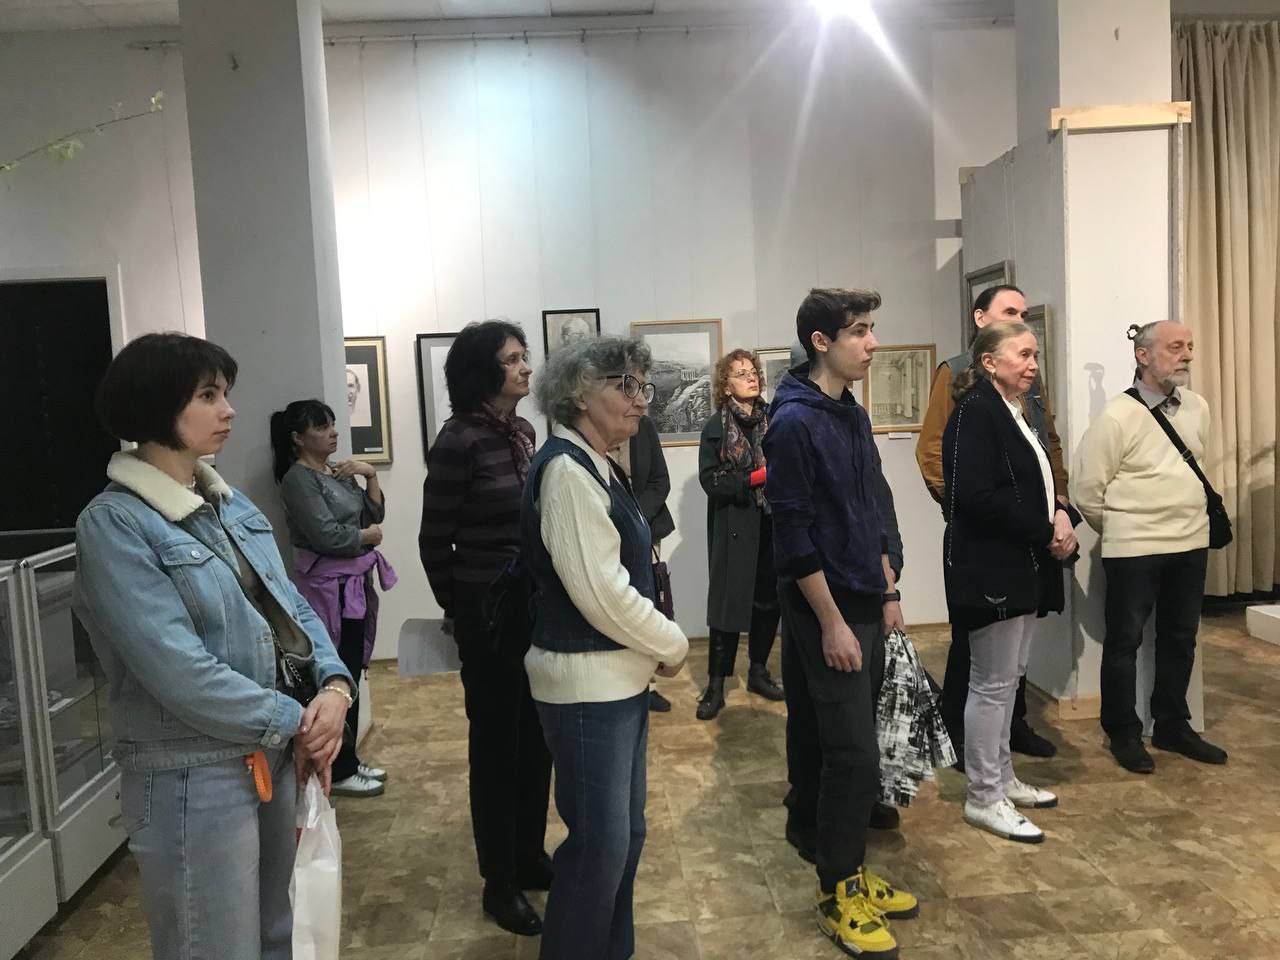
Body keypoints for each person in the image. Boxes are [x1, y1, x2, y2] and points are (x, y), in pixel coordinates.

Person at [72, 333, 354, 960]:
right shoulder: (115, 523)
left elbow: (290, 604)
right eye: (207, 396)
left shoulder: (226, 502)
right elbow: (177, 670)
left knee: (279, 935)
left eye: (224, 393)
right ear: (156, 406)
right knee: (213, 945)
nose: (228, 410)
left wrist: (335, 688)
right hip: (192, 772)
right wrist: (297, 720)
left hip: (267, 752)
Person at [521, 337, 689, 960]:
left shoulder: (597, 463)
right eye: (624, 385)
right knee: (598, 849)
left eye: (642, 385)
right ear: (577, 394)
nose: (640, 400)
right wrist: (670, 642)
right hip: (586, 687)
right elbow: (601, 593)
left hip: (614, 682)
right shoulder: (568, 472)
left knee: (622, 840)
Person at [767, 289, 917, 959]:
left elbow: (871, 503)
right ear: (821, 342)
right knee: (854, 753)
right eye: (858, 331)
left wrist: (889, 589)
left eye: (871, 329)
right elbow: (793, 535)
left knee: (847, 744)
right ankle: (837, 890)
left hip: (863, 596)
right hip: (822, 605)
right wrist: (831, 623)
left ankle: (848, 866)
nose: (872, 342)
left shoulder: (849, 411)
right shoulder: (793, 423)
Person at [419, 320, 553, 936]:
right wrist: (464, 609)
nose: (526, 368)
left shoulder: (524, 432)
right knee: (497, 748)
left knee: (537, 739)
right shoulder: (458, 441)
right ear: (482, 372)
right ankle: (499, 882)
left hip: (534, 606)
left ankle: (529, 855)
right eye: (513, 359)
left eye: (525, 356)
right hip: (489, 617)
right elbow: (433, 540)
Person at [943, 321, 1080, 844]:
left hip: (1020, 563)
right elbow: (975, 498)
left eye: (1035, 355)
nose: (1033, 364)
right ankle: (983, 796)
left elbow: (1036, 485)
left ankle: (1001, 778)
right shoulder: (976, 413)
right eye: (1022, 354)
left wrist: (1061, 517)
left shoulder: (1014, 410)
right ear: (989, 362)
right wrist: (1044, 531)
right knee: (991, 684)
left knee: (1008, 679)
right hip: (990, 567)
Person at [1073, 321, 1228, 774]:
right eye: (1176, 346)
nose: (1187, 355)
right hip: (1134, 548)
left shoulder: (1197, 408)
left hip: (1191, 542)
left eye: (1190, 346)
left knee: (1181, 637)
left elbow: (1198, 464)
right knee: (1124, 640)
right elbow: (1087, 491)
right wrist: (1127, 527)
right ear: (1143, 355)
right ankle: (1123, 731)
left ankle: (1172, 724)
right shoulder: (1117, 415)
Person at [916, 284, 1062, 761]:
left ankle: (1009, 731)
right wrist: (958, 508)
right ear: (981, 320)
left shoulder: (1024, 382)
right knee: (978, 654)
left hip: (1027, 535)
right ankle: (960, 736)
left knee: (1013, 653)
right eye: (1009, 312)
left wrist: (1059, 505)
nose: (1020, 319)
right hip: (990, 539)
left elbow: (1046, 443)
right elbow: (933, 450)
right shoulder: (959, 376)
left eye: (1024, 312)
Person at [271, 399, 395, 798]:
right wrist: (365, 537)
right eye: (322, 427)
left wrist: (369, 474)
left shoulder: (336, 472)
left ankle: (348, 761)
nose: (333, 433)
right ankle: (338, 768)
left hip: (352, 586)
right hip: (327, 590)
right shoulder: (298, 480)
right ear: (297, 437)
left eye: (332, 425)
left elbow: (373, 514)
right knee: (335, 673)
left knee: (352, 668)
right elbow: (328, 536)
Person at [695, 348, 785, 720]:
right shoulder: (715, 427)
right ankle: (716, 685)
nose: (751, 377)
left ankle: (758, 672)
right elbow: (711, 481)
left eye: (753, 371)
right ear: (726, 385)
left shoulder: (775, 420)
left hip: (770, 523)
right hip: (734, 525)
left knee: (768, 601)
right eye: (740, 373)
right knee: (727, 607)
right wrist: (754, 478)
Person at [610, 413, 678, 713]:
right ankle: (620, 680)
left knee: (645, 606)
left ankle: (646, 683)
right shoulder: (593, 428)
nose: (636, 398)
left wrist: (634, 517)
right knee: (614, 605)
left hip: (644, 528)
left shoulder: (644, 426)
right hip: (605, 529)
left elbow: (660, 481)